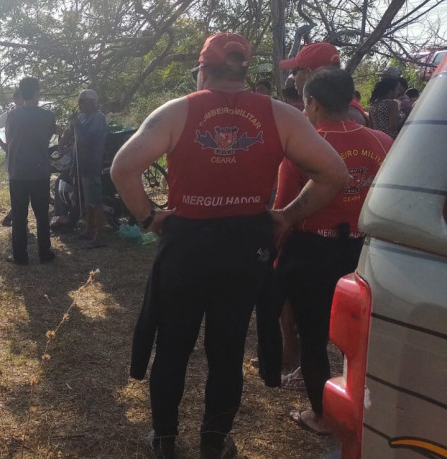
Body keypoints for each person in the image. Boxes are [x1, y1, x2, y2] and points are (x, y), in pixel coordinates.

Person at [111, 32, 348, 459]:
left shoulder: (177, 111)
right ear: (244, 70)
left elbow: (123, 167)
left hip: (186, 245)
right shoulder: (281, 115)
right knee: (227, 349)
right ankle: (214, 443)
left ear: (203, 69)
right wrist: (286, 216)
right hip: (244, 248)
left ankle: (164, 440)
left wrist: (149, 218)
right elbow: (334, 172)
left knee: (173, 345)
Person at [274, 68, 392, 434]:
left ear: (312, 103)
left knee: (313, 338)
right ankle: (368, 410)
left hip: (313, 254)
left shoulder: (301, 149)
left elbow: (283, 212)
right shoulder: (383, 142)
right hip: (367, 254)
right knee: (363, 340)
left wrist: (276, 260)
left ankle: (322, 416)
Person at [5, 77, 57, 265]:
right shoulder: (47, 115)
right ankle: (45, 252)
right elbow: (49, 135)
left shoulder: (12, 116)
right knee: (42, 214)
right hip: (39, 171)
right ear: (36, 93)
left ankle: (20, 255)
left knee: (19, 216)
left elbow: (9, 139)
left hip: (17, 172)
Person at [279, 42, 369, 126]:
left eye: (295, 72)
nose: (293, 77)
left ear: (309, 73)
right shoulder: (334, 106)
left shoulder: (343, 115)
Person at [74, 89, 108, 248]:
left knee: (96, 199)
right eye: (79, 101)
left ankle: (100, 236)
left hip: (93, 162)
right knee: (88, 199)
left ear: (92, 103)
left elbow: (89, 140)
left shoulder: (98, 117)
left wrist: (77, 126)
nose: (79, 104)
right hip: (83, 162)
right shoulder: (83, 117)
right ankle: (89, 229)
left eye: (83, 101)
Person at [0, 88, 25, 226]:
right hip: (15, 157)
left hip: (29, 156)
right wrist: (3, 145)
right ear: (16, 100)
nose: (24, 102)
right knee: (17, 188)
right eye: (21, 98)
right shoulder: (9, 115)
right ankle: (15, 216)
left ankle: (14, 215)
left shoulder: (33, 113)